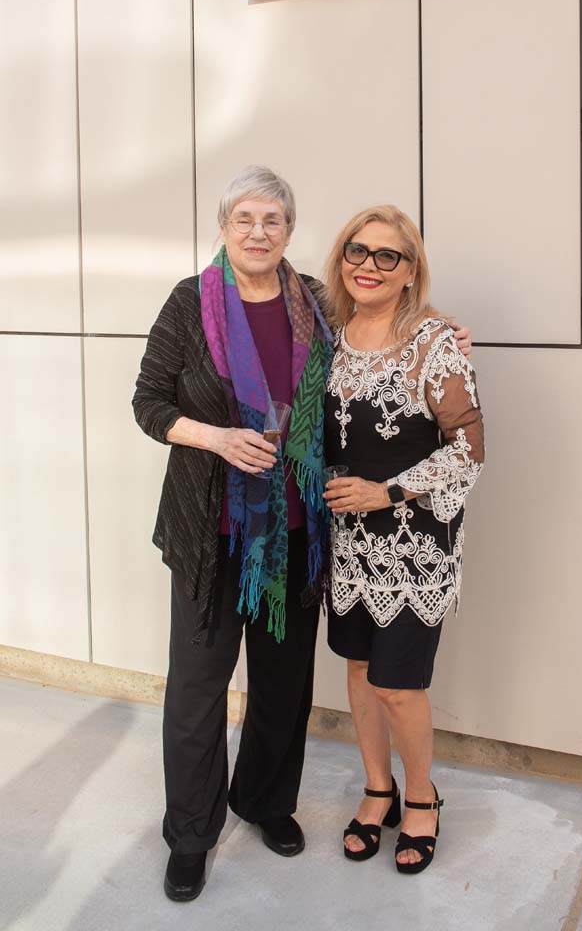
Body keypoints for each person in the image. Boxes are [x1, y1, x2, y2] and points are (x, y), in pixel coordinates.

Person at [132, 167, 471, 901]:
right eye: (245, 218)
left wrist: (443, 336)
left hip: (297, 530)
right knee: (197, 689)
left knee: (283, 686)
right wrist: (215, 438)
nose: (259, 232)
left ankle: (264, 802)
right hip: (212, 534)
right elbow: (147, 402)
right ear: (223, 226)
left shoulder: (314, 305)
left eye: (274, 220)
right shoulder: (191, 303)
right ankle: (189, 834)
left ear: (290, 231)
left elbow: (386, 338)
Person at [322, 205, 485, 875]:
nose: (368, 265)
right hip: (345, 549)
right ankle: (377, 789)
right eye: (357, 251)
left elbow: (469, 451)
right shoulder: (326, 335)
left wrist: (385, 492)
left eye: (387, 255)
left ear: (410, 269)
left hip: (412, 551)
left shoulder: (435, 343)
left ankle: (422, 799)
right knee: (359, 673)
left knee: (398, 684)